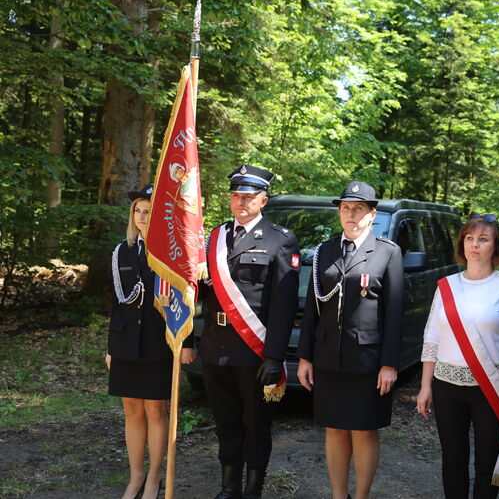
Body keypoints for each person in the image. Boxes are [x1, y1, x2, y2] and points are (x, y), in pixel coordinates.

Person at [297, 181, 404, 499]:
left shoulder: (387, 252)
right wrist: (305, 357)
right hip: (329, 355)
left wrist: (389, 363)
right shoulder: (324, 252)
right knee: (334, 427)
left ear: (372, 215)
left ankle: (361, 496)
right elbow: (312, 309)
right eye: (345, 208)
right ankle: (338, 494)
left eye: (358, 209)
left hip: (367, 360)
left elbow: (395, 313)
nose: (351, 214)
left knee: (363, 429)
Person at [200, 165, 300, 499]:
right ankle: (229, 487)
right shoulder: (213, 238)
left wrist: (275, 356)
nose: (240, 202)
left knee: (256, 426)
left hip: (254, 352)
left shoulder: (280, 240)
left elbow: (284, 306)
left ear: (263, 200)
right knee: (226, 423)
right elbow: (199, 290)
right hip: (216, 348)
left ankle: (253, 489)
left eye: (248, 196)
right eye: (235, 195)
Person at [416, 214, 499, 499]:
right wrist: (426, 386)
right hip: (446, 386)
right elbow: (432, 338)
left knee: (487, 464)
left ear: (496, 247)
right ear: (462, 243)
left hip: (492, 388)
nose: (475, 245)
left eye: (483, 239)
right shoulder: (445, 286)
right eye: (469, 238)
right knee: (453, 460)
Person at [106, 184, 195, 499]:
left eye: (148, 211)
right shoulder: (122, 251)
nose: (142, 216)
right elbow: (115, 303)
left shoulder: (173, 252)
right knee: (131, 409)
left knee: (156, 410)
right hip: (126, 341)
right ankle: (135, 477)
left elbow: (187, 299)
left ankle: (155, 478)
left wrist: (187, 342)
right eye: (138, 211)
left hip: (160, 341)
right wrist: (110, 348)